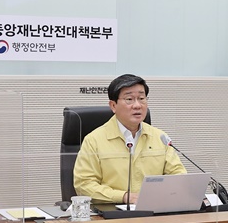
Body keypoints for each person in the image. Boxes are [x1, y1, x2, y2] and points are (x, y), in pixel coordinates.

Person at [73, 74, 186, 204]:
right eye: (129, 99)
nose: (137, 105)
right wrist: (124, 197)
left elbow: (178, 175)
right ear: (113, 106)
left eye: (142, 98)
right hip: (111, 214)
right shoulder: (94, 140)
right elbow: (84, 185)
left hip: (154, 209)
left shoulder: (160, 137)